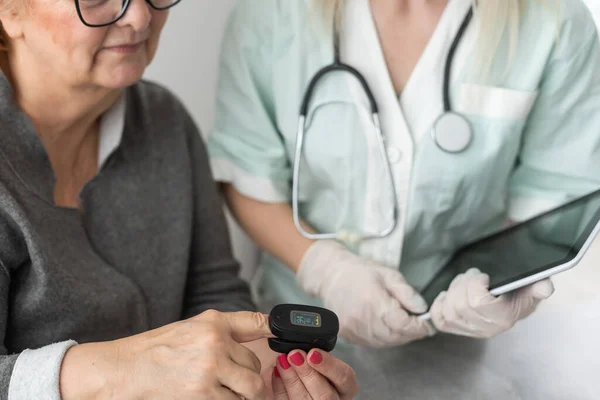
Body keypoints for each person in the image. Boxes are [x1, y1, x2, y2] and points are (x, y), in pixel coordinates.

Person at [0, 0, 359, 399]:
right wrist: (124, 370)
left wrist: (271, 381)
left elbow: (216, 298)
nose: (139, 17)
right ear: (10, 12)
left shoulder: (164, 121)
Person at [208, 0, 600, 348]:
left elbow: (555, 195)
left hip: (453, 332)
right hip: (299, 328)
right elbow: (247, 175)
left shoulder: (556, 21)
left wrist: (514, 284)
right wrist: (326, 269)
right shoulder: (269, 13)